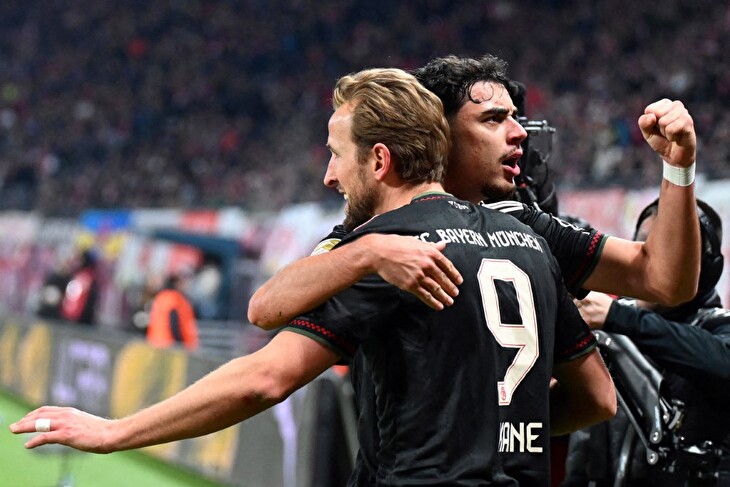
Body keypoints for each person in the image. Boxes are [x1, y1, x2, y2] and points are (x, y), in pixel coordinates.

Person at [9, 68, 616, 486]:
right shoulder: (530, 245)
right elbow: (597, 398)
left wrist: (115, 431)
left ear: (379, 161)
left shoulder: (394, 250)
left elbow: (265, 378)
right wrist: (493, 433)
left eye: (335, 154)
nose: (329, 176)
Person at [248, 53, 701, 330]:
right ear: (439, 136)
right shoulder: (380, 229)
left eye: (514, 117)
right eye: (493, 120)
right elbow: (268, 311)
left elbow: (664, 281)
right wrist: (366, 253)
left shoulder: (522, 225)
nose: (519, 133)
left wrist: (678, 166)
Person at [563, 198, 730, 486]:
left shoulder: (716, 327)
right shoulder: (611, 324)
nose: (653, 261)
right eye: (643, 246)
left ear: (706, 267)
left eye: (670, 250)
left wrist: (620, 317)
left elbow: (722, 363)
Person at [146, 273, 199, 350]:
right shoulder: (175, 299)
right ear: (177, 283)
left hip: (156, 344)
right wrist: (180, 344)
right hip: (171, 346)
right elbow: (174, 323)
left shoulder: (160, 297)